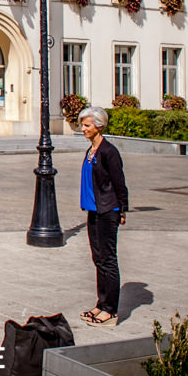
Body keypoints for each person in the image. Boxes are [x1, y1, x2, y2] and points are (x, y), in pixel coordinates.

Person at [77, 106, 129, 328]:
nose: (83, 129)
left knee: (108, 259)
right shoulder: (91, 151)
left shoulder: (109, 152)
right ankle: (101, 303)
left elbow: (119, 182)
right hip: (93, 210)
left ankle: (111, 310)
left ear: (99, 126)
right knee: (97, 258)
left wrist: (123, 209)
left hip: (108, 210)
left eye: (87, 125)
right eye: (82, 125)